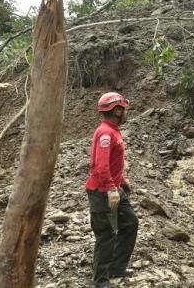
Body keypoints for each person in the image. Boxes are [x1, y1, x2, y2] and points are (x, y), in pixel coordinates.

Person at [85, 92, 138, 288]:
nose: (126, 113)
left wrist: (121, 180)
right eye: (124, 109)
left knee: (130, 223)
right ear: (116, 110)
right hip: (102, 191)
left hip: (115, 187)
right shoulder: (106, 133)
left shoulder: (113, 130)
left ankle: (117, 267)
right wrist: (110, 189)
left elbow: (113, 162)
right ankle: (100, 280)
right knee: (105, 235)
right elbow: (101, 166)